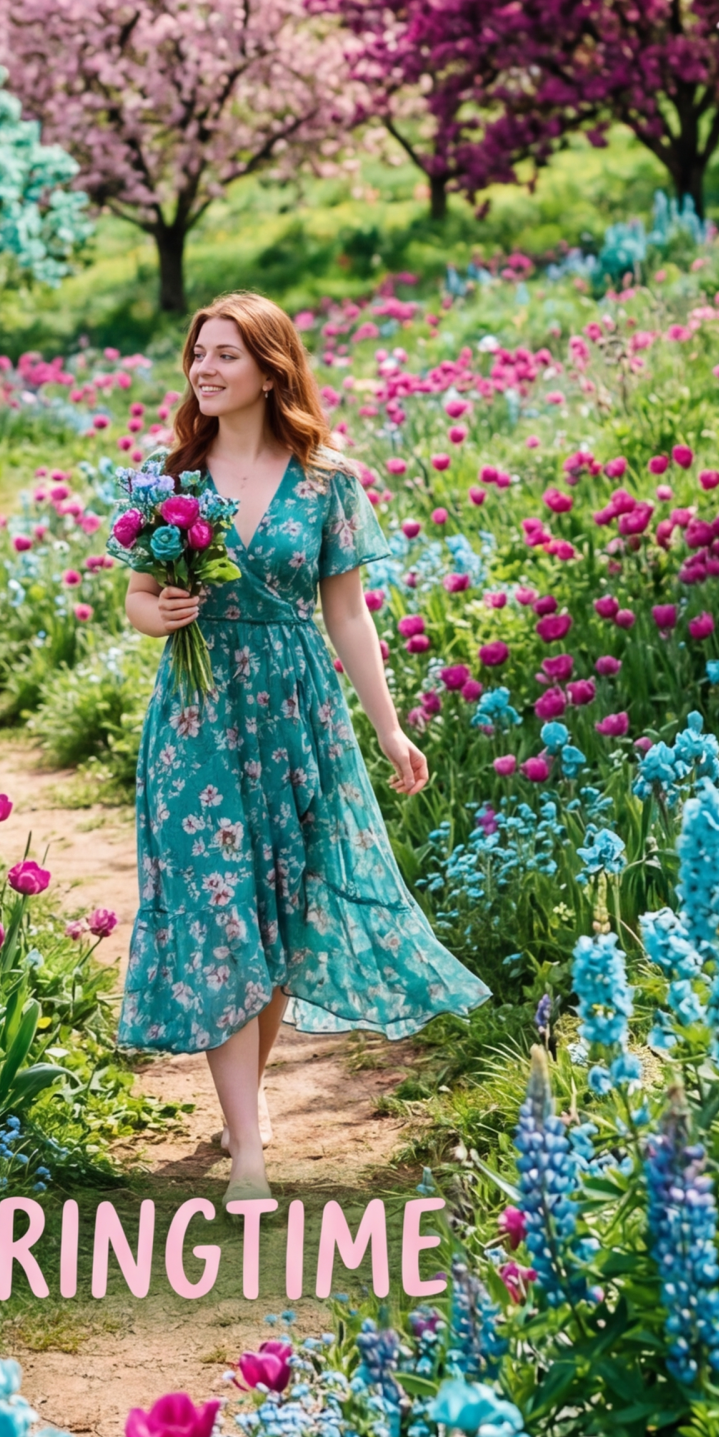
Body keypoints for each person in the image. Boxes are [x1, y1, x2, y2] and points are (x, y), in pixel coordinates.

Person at [117, 292, 487, 1196]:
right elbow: (132, 602)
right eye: (197, 355)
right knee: (218, 915)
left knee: (275, 916)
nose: (204, 370)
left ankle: (245, 1100)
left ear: (271, 368)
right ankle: (247, 1148)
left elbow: (348, 615)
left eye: (225, 356)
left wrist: (390, 727)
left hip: (296, 716)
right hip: (198, 725)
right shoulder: (172, 480)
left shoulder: (327, 479)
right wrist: (158, 613)